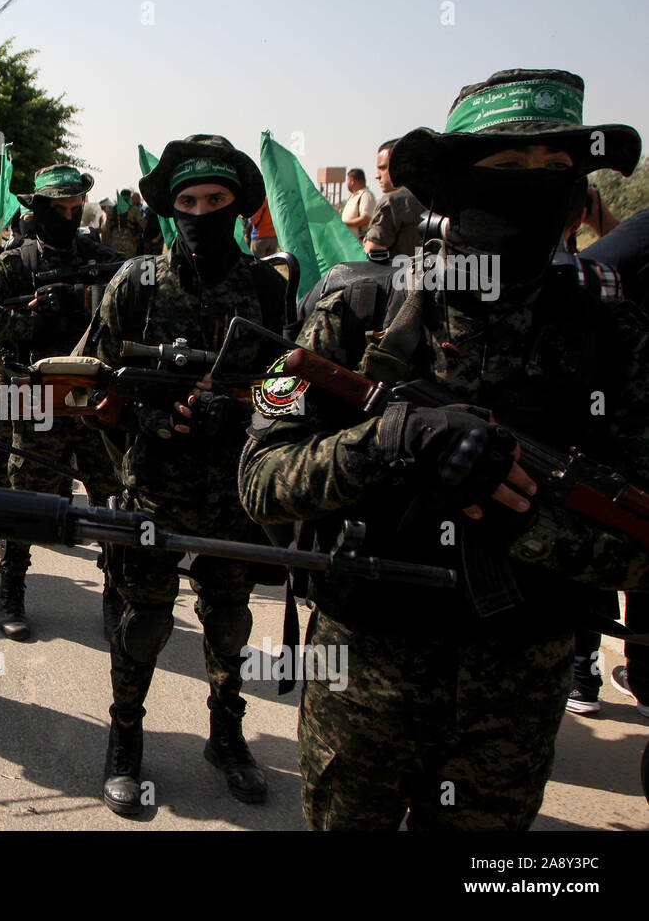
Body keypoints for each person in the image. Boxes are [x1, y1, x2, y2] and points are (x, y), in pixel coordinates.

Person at [239, 69, 647, 830]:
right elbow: (259, 477)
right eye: (510, 167)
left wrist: (519, 517)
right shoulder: (352, 304)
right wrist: (391, 441)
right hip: (363, 684)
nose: (537, 184)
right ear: (455, 183)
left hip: (515, 703)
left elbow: (639, 539)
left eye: (559, 169)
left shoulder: (614, 334)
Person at [80, 135, 288, 814]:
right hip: (152, 489)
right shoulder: (135, 283)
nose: (201, 212)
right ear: (170, 209)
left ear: (239, 207)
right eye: (188, 202)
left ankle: (226, 736)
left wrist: (247, 413)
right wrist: (148, 427)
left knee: (228, 621)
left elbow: (295, 388)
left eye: (215, 201)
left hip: (236, 488)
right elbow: (91, 389)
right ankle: (125, 740)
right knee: (141, 621)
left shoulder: (266, 288)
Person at [0, 164, 122, 641]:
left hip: (92, 396)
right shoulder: (14, 263)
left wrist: (85, 300)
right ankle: (11, 592)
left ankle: (114, 594)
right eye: (59, 210)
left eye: (75, 209)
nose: (69, 218)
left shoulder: (100, 258)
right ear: (39, 209)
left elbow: (134, 301)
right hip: (36, 399)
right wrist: (32, 325)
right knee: (23, 500)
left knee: (108, 498)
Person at [364, 138, 425, 257]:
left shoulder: (392, 201)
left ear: (400, 166)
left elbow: (371, 253)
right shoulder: (437, 199)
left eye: (382, 168)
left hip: (400, 273)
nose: (377, 176)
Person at [102, 188, 144, 257]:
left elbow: (107, 225)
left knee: (117, 263)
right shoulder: (133, 209)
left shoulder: (113, 209)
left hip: (115, 243)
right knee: (130, 264)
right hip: (129, 242)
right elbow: (143, 224)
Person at [340, 168, 376, 242]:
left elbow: (366, 218)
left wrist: (344, 223)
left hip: (359, 245)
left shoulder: (365, 195)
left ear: (352, 181)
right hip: (350, 243)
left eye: (347, 180)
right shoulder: (354, 197)